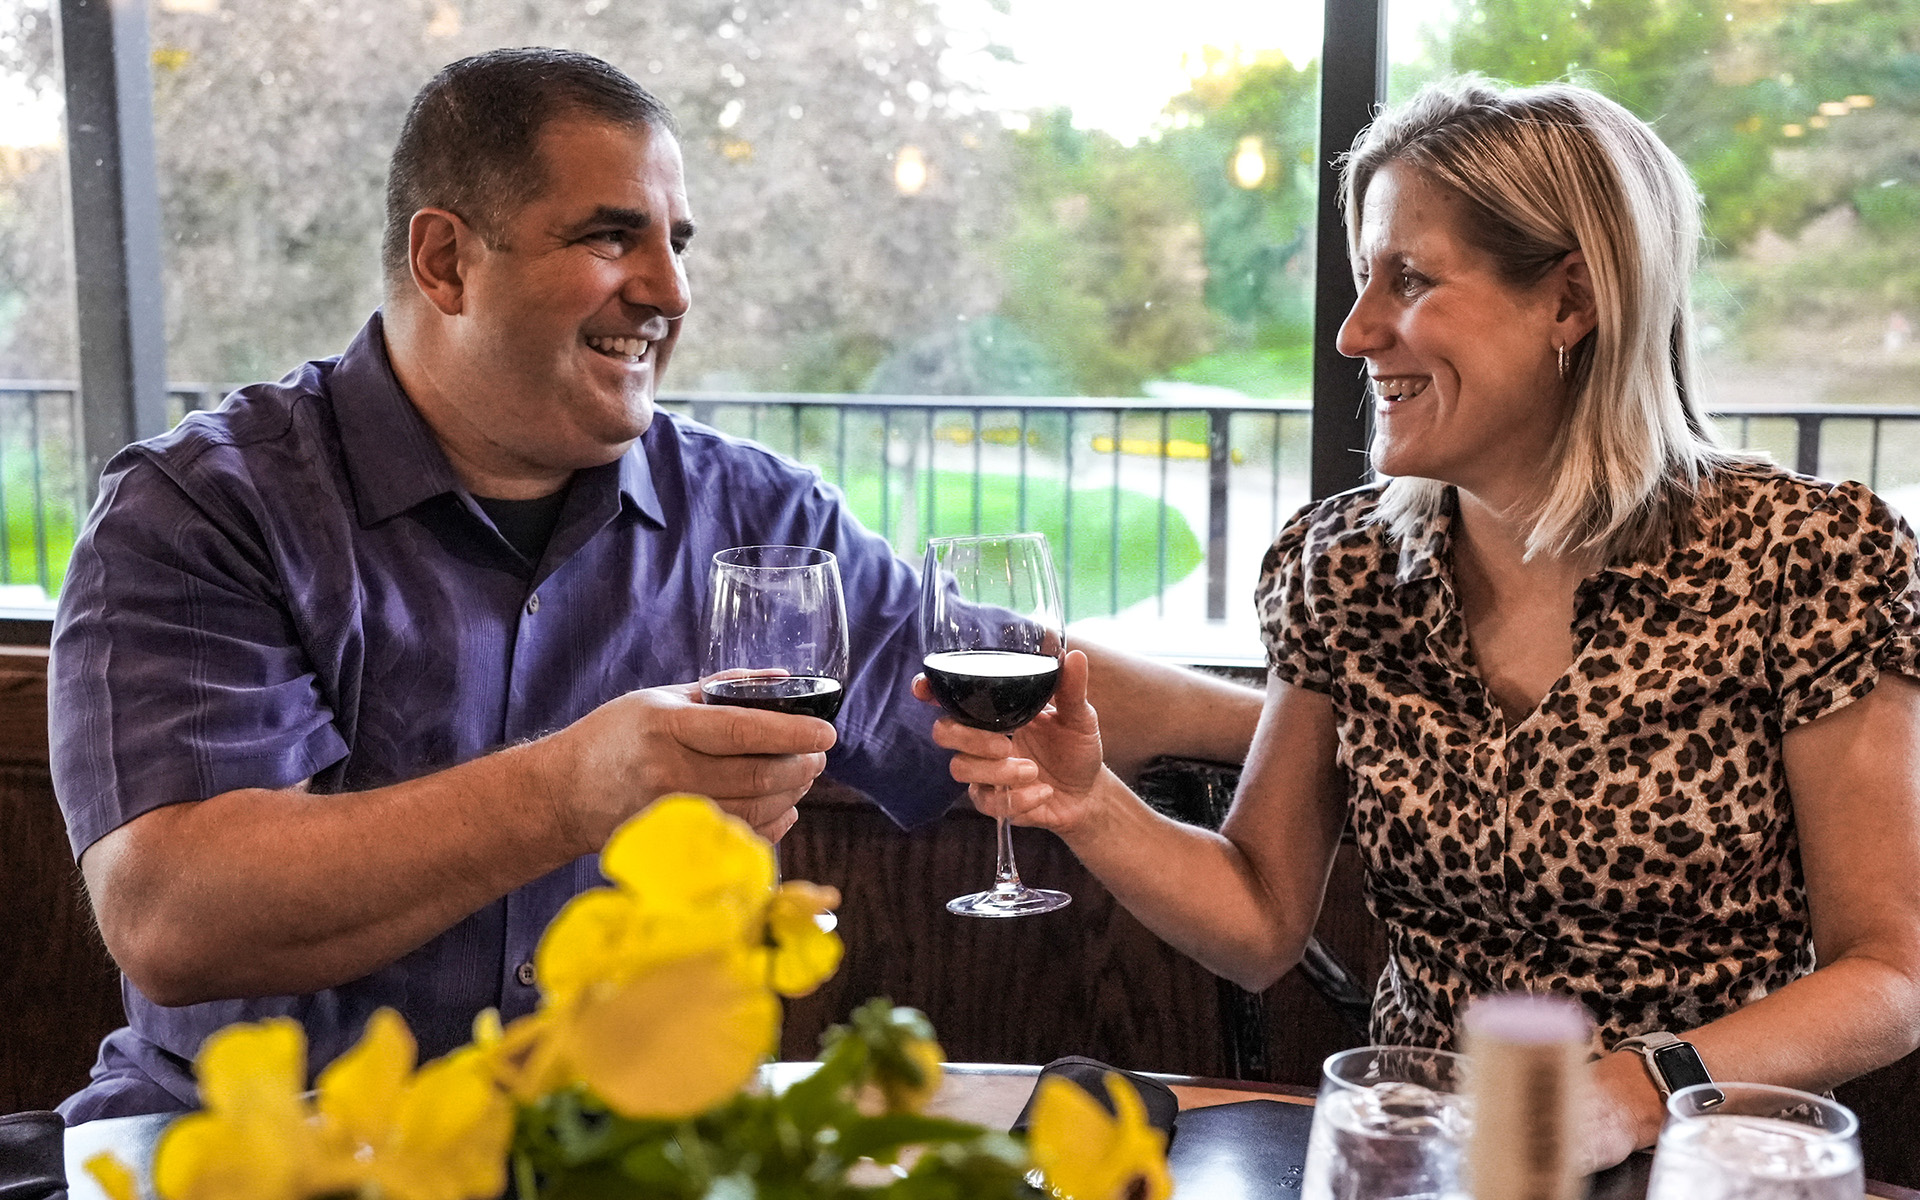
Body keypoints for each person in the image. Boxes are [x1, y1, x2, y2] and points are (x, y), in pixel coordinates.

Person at [49, 47, 1260, 1122]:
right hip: (259, 1149)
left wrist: (1307, 722)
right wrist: (575, 786)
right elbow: (172, 917)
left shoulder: (757, 516)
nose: (670, 292)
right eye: (608, 237)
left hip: (625, 1152)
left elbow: (1004, 679)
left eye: (675, 243)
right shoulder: (206, 508)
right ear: (445, 259)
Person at [928, 77, 1920, 1168]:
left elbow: (1890, 975)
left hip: (1710, 1167)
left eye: (1408, 280)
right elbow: (1260, 923)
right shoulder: (1343, 566)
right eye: (1364, 281)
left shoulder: (1807, 554)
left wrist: (1632, 1095)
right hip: (1418, 1161)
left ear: (1572, 301)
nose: (1355, 333)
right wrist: (1087, 806)